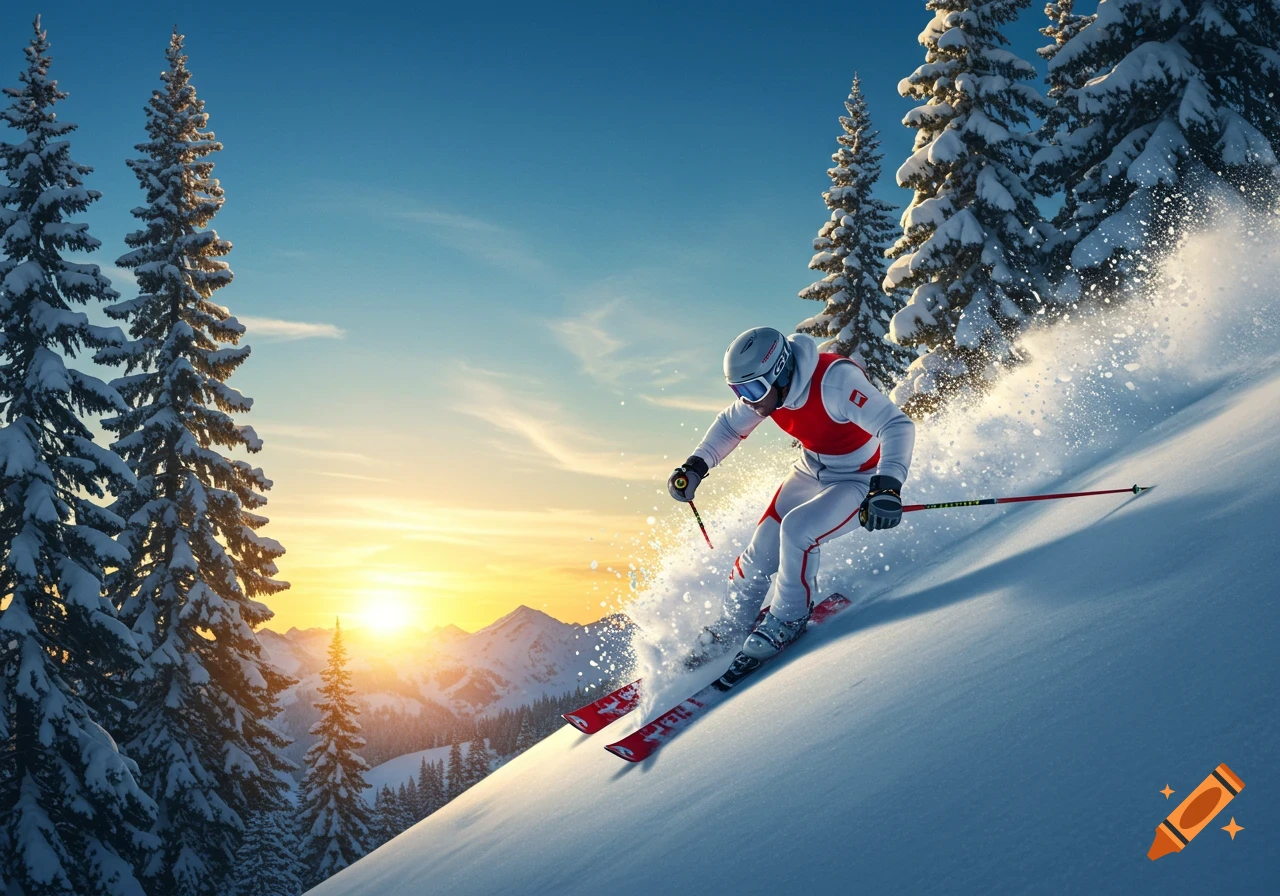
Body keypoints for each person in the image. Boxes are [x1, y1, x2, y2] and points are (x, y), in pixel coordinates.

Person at [668, 326, 915, 673]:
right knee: (760, 553)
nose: (749, 400)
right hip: (811, 468)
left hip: (859, 477)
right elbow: (729, 425)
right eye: (739, 391)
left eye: (753, 389)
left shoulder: (836, 381)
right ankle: (731, 627)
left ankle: (788, 619)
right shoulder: (768, 396)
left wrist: (887, 486)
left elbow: (897, 425)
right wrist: (695, 466)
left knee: (797, 531)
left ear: (781, 370)